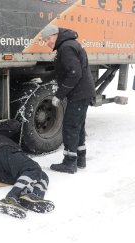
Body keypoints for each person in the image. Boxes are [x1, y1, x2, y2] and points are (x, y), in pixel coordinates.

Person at [40, 24, 96, 174]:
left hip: (79, 93)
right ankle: (80, 159)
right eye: (45, 40)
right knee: (78, 126)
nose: (47, 43)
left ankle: (70, 163)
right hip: (83, 93)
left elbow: (74, 73)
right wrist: (44, 78)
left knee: (70, 127)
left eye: (48, 39)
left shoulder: (66, 48)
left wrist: (59, 95)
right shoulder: (68, 45)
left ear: (55, 35)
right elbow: (64, 70)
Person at [0, 119, 55, 219]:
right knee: (33, 169)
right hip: (2, 151)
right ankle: (11, 198)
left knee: (41, 175)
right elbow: (12, 126)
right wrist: (18, 120)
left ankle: (32, 196)